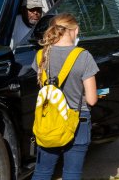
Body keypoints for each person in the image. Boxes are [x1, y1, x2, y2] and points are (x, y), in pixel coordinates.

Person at [31, 13, 99, 180]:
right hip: (77, 120)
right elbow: (91, 99)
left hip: (48, 120)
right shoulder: (83, 56)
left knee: (42, 172)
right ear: (74, 30)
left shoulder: (41, 56)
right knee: (71, 174)